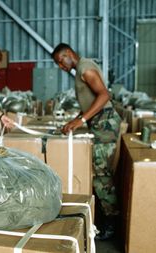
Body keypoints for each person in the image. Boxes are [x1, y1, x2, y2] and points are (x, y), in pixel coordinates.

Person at [51, 43, 122, 240]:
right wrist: (75, 120)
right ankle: (105, 217)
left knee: (102, 176)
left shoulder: (85, 68)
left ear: (68, 54)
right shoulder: (80, 70)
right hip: (99, 122)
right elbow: (91, 102)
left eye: (60, 62)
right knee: (99, 173)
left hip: (105, 124)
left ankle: (111, 225)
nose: (60, 66)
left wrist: (81, 120)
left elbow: (104, 95)